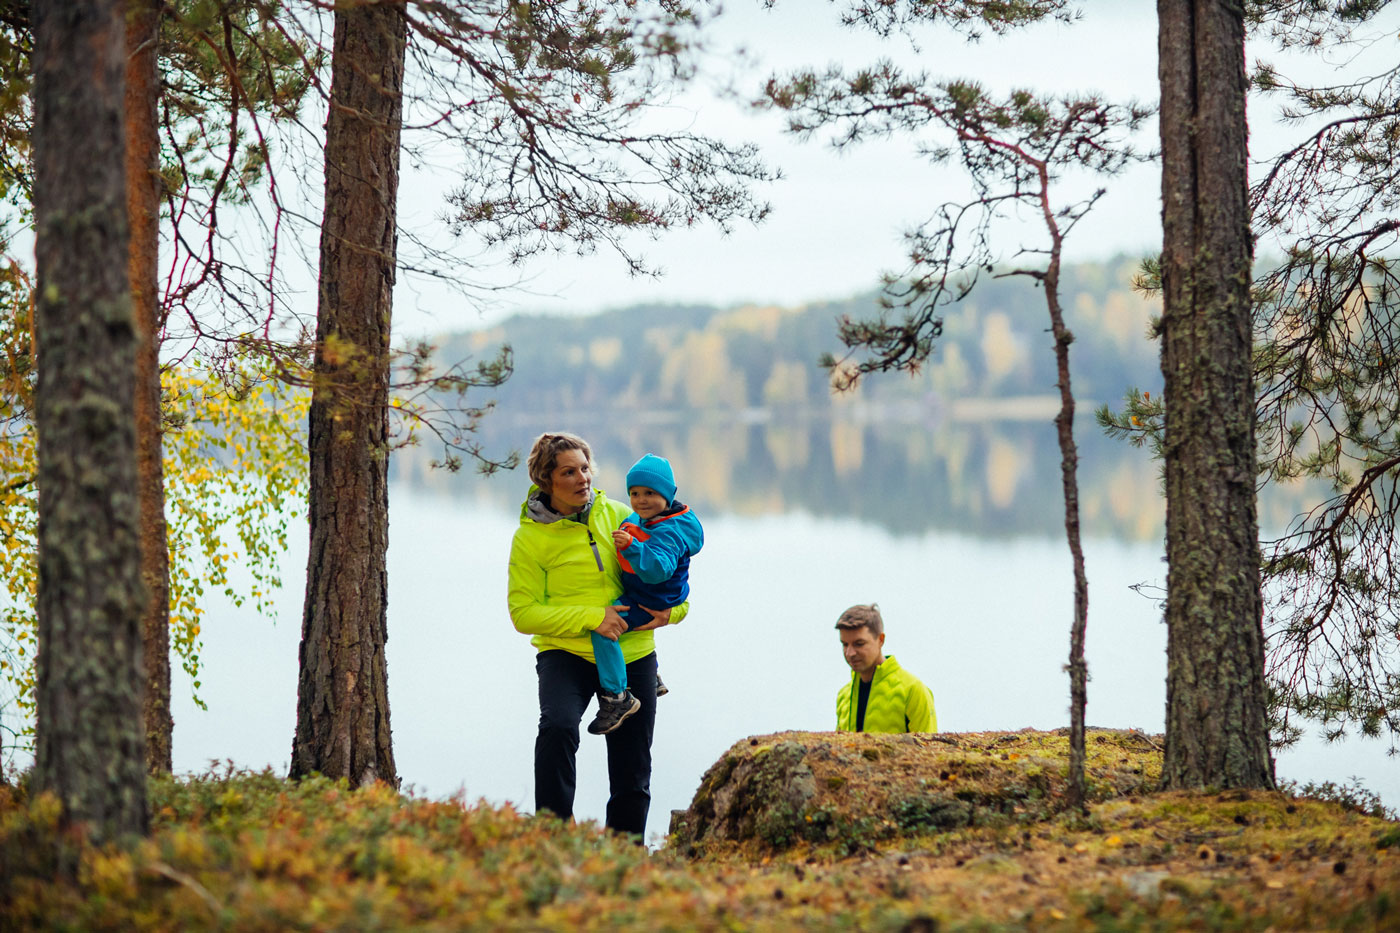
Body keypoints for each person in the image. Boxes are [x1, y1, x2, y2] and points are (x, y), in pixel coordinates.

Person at [507, 432, 684, 839]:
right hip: (566, 654)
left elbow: (670, 571)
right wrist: (593, 618)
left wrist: (673, 612)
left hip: (632, 653)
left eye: (585, 468)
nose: (583, 478)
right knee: (557, 728)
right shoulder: (530, 538)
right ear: (546, 480)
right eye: (569, 472)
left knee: (632, 764)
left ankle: (623, 856)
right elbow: (523, 613)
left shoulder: (621, 515)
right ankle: (555, 839)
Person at [586, 453, 704, 736]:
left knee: (605, 630)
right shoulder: (659, 518)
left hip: (652, 598)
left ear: (667, 495)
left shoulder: (669, 532)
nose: (640, 500)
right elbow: (637, 523)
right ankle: (652, 678)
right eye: (635, 493)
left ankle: (617, 697)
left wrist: (632, 546)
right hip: (657, 593)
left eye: (650, 493)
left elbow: (658, 570)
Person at [834, 603, 937, 734]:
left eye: (859, 644)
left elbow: (929, 745)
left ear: (881, 640)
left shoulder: (913, 690)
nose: (850, 653)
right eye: (845, 644)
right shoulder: (844, 695)